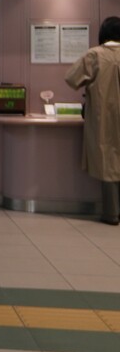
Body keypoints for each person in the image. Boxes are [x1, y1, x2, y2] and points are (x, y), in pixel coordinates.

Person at [66, 16, 120, 224]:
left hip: (103, 118)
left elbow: (72, 78)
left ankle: (111, 213)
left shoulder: (95, 55)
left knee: (108, 164)